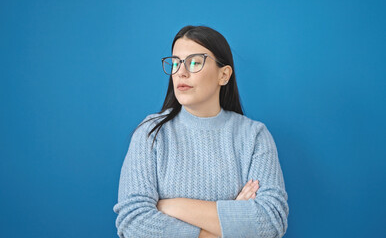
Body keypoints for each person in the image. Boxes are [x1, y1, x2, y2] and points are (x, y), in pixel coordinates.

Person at [113, 25, 289, 238]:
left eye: (194, 62)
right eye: (176, 63)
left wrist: (172, 206)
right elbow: (133, 221)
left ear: (223, 75)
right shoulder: (151, 133)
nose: (181, 72)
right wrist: (228, 223)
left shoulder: (254, 136)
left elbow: (271, 222)